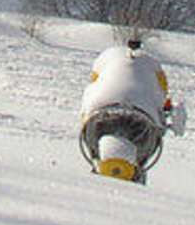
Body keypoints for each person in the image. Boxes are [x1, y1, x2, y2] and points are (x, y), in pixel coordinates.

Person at [78, 40, 185, 184]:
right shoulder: (153, 68)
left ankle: (98, 176)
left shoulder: (106, 58)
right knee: (136, 164)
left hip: (99, 120)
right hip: (143, 123)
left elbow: (93, 84)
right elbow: (162, 94)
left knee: (99, 159)